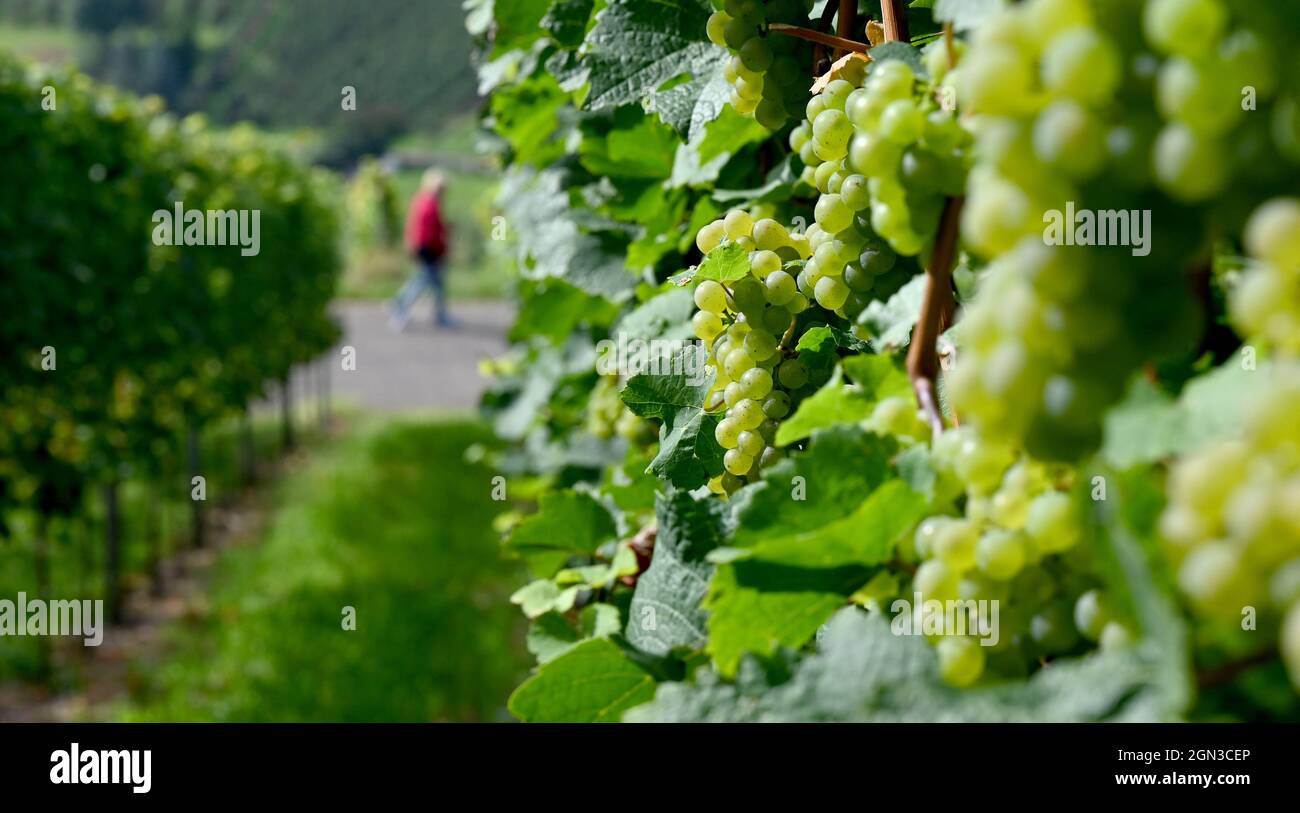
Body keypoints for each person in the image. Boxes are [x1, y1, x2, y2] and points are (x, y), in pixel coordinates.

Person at [390, 169, 452, 330]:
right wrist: (441, 249)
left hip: (422, 247)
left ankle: (439, 314)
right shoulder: (430, 204)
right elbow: (431, 233)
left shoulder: (420, 200)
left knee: (430, 282)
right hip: (428, 249)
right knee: (423, 282)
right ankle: (400, 307)